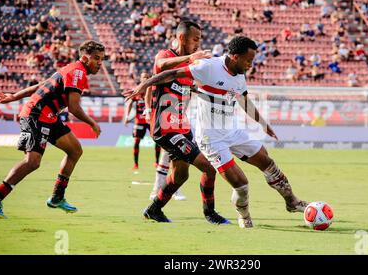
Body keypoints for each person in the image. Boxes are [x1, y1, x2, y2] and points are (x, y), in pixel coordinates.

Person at [126, 36, 308, 228]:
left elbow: (244, 100)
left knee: (267, 162)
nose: (250, 65)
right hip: (210, 138)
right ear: (235, 57)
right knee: (241, 184)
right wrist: (144, 85)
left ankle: (292, 201)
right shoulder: (208, 67)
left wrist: (263, 124)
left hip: (233, 130)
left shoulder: (239, 75)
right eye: (248, 60)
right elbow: (171, 74)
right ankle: (243, 216)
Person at [0, 40, 104, 219]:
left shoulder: (69, 68)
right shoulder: (78, 72)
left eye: (102, 59)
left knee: (75, 150)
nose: (99, 63)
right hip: (36, 115)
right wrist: (92, 123)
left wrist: (13, 97)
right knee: (32, 161)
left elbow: (40, 86)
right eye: (96, 58)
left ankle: (57, 197)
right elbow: (74, 107)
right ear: (84, 58)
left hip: (49, 116)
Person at [129, 20, 229, 224]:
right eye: (195, 39)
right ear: (182, 38)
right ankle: (210, 213)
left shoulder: (191, 66)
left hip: (182, 126)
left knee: (181, 175)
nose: (198, 44)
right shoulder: (166, 55)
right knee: (209, 167)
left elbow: (190, 87)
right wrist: (190, 58)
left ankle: (153, 210)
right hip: (166, 127)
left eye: (199, 39)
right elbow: (161, 67)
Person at [124, 71, 161, 171]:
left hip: (151, 120)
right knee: (136, 141)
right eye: (143, 77)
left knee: (158, 141)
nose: (145, 79)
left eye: (147, 77)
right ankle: (136, 164)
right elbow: (130, 102)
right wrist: (127, 116)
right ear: (140, 79)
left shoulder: (153, 89)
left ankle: (157, 162)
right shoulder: (137, 91)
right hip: (139, 121)